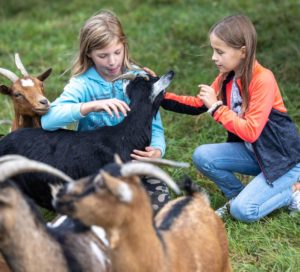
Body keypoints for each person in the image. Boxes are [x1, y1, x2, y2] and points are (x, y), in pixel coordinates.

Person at [161, 14, 300, 222]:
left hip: (281, 161)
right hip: (256, 155)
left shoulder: (263, 79)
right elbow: (198, 104)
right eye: (213, 50)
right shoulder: (228, 76)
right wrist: (157, 94)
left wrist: (217, 108)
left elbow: (251, 132)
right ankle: (237, 195)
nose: (213, 57)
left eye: (219, 52)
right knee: (202, 156)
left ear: (242, 52)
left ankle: (291, 192)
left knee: (244, 212)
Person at [41, 10, 170, 212]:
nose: (112, 62)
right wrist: (89, 106)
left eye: (117, 52)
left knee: (157, 202)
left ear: (124, 47)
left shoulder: (138, 79)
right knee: (97, 208)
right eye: (103, 55)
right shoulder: (82, 84)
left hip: (129, 164)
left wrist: (157, 150)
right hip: (91, 166)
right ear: (89, 54)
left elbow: (154, 125)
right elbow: (48, 121)